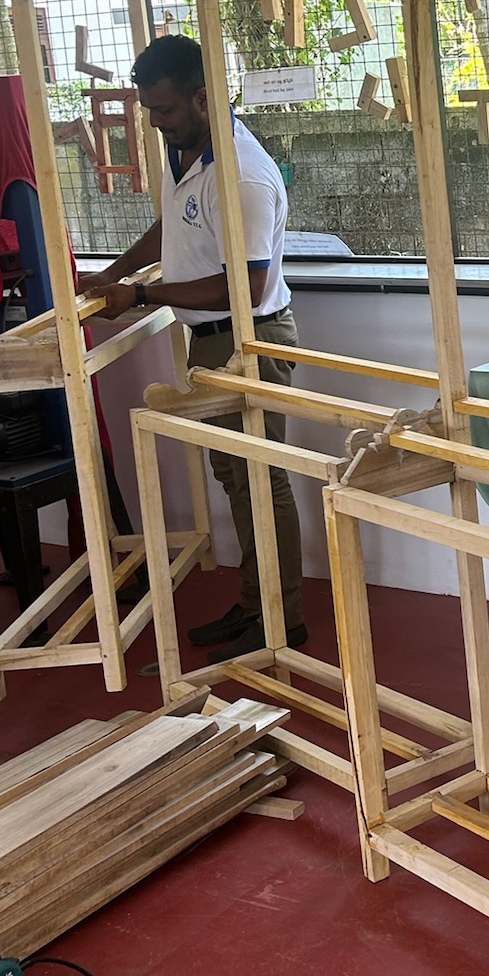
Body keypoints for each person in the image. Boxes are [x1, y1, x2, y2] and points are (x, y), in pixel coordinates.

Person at [81, 33, 306, 662]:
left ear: (205, 98)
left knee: (260, 480)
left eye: (165, 109)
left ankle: (282, 620)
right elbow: (172, 226)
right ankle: (257, 603)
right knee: (234, 477)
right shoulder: (187, 156)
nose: (156, 122)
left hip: (248, 339)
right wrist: (115, 274)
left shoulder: (243, 177)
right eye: (150, 110)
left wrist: (140, 295)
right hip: (209, 341)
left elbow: (246, 286)